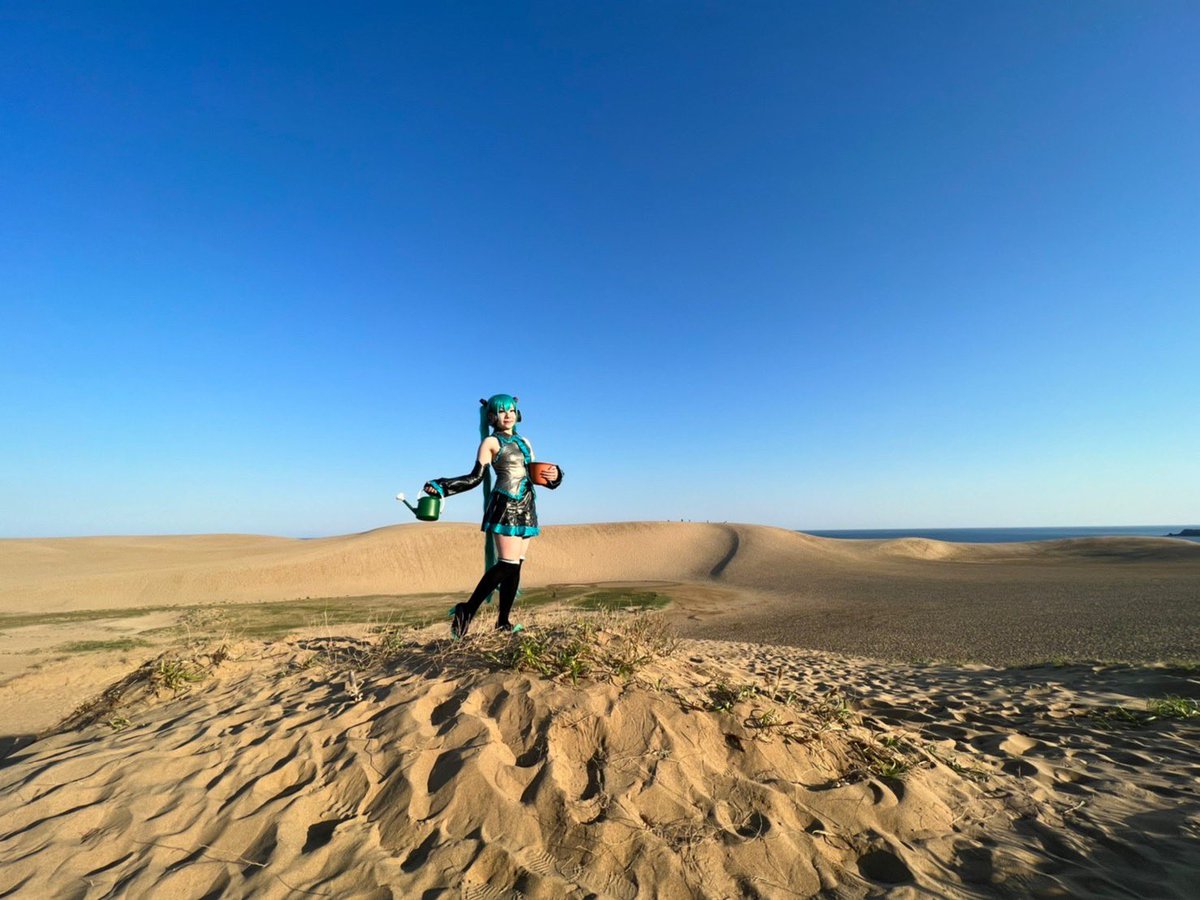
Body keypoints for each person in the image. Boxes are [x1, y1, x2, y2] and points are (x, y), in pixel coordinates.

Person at [423, 394, 562, 637]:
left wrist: (555, 476)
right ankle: (466, 610)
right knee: (507, 564)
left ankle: (503, 622)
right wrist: (442, 486)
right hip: (505, 505)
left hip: (527, 505)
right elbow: (475, 477)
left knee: (516, 566)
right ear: (491, 416)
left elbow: (534, 475)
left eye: (511, 410)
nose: (508, 415)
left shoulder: (525, 441)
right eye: (501, 411)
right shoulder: (490, 442)